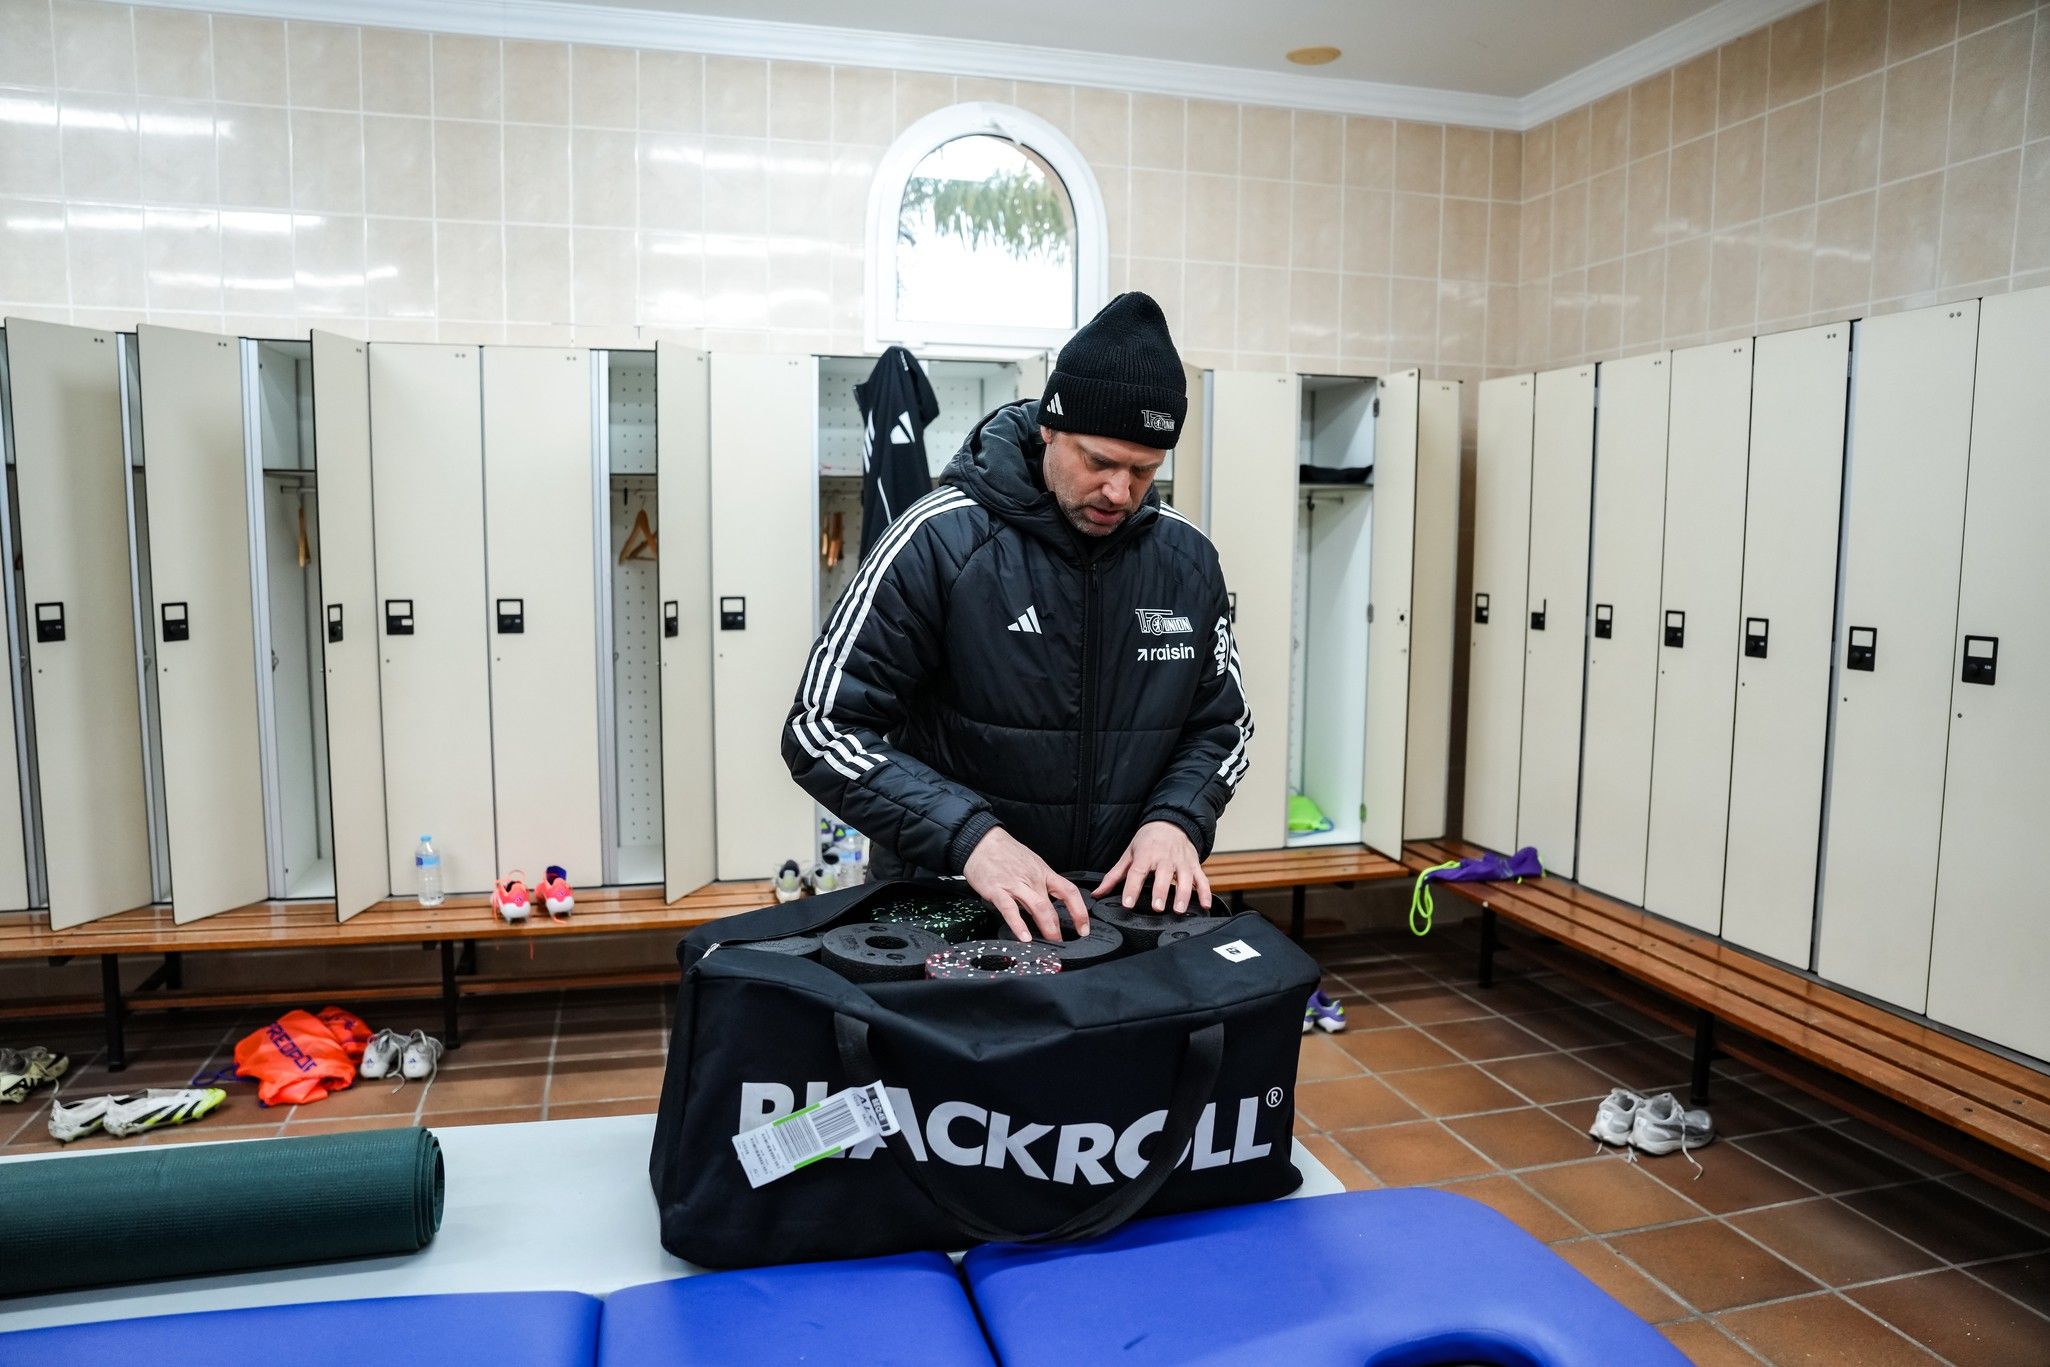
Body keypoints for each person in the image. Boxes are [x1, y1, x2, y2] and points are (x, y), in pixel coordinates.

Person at [783, 292, 1251, 942]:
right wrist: (970, 837)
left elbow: (1220, 727)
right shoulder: (936, 541)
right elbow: (820, 727)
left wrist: (1177, 817)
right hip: (951, 908)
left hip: (1116, 914)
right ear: (1049, 429)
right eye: (1099, 461)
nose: (1120, 491)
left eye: (1144, 470)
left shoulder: (1189, 563)